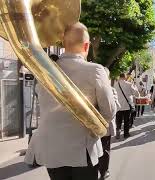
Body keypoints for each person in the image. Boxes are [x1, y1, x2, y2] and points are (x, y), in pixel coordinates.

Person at [24, 22, 117, 180]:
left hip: (51, 149)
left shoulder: (45, 71)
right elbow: (108, 112)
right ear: (86, 46)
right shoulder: (95, 70)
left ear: (63, 43)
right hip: (81, 150)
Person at [98, 69, 121, 180]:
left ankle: (100, 170)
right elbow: (116, 107)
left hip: (93, 126)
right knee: (105, 148)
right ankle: (104, 171)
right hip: (105, 125)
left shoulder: (90, 88)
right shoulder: (111, 90)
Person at [114, 73, 139, 139]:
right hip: (127, 106)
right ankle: (126, 134)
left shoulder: (115, 84)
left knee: (118, 120)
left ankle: (118, 130)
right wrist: (134, 85)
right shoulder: (129, 84)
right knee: (126, 121)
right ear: (125, 77)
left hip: (118, 106)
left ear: (119, 77)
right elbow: (136, 93)